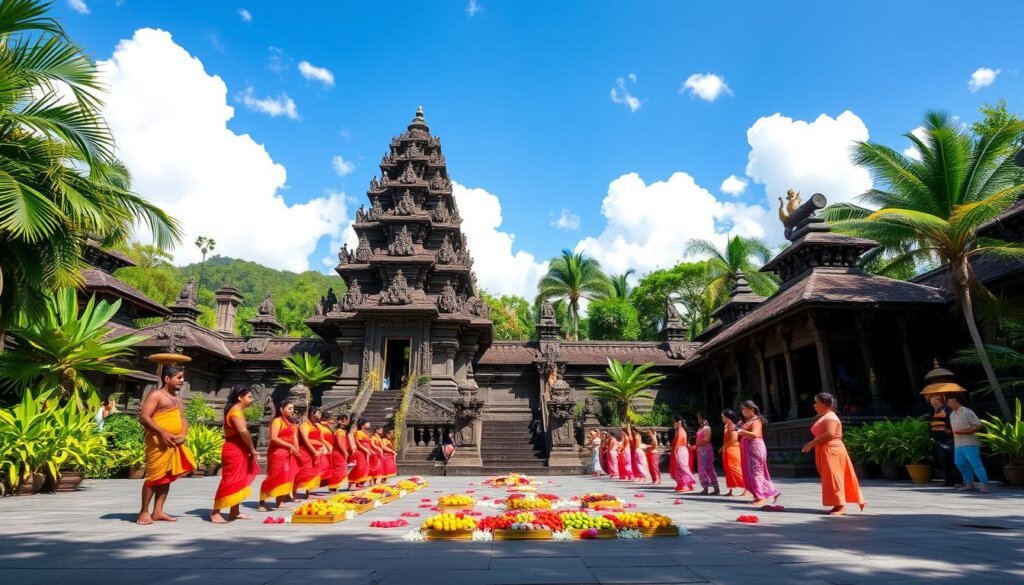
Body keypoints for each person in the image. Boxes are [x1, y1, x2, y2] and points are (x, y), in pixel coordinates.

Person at [136, 365, 196, 525]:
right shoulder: (156, 394)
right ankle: (143, 512)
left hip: (173, 444)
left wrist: (182, 435)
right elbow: (144, 417)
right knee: (154, 477)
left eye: (183, 377)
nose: (182, 381)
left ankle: (158, 511)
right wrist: (163, 433)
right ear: (167, 378)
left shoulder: (177, 399)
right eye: (179, 377)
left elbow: (184, 419)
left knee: (166, 477)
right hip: (158, 443)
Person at [801, 393, 865, 515]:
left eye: (816, 403)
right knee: (830, 477)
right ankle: (837, 503)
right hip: (827, 449)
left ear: (825, 404)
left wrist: (812, 443)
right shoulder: (825, 416)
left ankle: (840, 505)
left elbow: (830, 434)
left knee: (834, 477)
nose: (814, 406)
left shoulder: (830, 417)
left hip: (832, 450)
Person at [211, 386, 260, 523]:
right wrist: (253, 449)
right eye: (249, 397)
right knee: (229, 480)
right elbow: (243, 432)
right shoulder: (235, 413)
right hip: (234, 450)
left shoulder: (238, 411)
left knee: (239, 481)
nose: (252, 400)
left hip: (240, 450)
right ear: (240, 397)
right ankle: (215, 512)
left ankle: (234, 511)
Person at [734, 400, 781, 506]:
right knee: (750, 472)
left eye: (745, 409)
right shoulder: (746, 421)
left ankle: (761, 498)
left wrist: (742, 431)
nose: (743, 411)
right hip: (747, 449)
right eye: (742, 409)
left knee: (756, 472)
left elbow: (755, 434)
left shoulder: (756, 420)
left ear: (752, 409)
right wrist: (739, 427)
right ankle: (763, 494)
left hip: (755, 447)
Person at [258, 399, 300, 511]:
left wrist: (295, 448)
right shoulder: (277, 421)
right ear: (281, 409)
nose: (292, 411)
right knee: (273, 476)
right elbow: (274, 438)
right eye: (289, 408)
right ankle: (262, 502)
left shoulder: (289, 423)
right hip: (277, 453)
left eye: (293, 409)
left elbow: (293, 438)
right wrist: (290, 446)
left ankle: (280, 501)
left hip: (288, 454)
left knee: (285, 476)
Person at [947, 395, 989, 493]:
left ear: (955, 400)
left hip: (970, 442)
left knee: (975, 463)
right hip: (958, 443)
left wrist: (963, 432)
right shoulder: (952, 414)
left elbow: (977, 425)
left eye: (949, 400)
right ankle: (969, 484)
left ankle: (984, 485)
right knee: (960, 463)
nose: (948, 403)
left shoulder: (967, 411)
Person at [929, 395, 961, 487]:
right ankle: (948, 480)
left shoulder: (947, 409)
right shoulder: (936, 410)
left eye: (934, 400)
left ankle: (958, 481)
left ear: (939, 401)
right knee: (943, 460)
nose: (932, 402)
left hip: (948, 437)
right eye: (931, 401)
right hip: (939, 438)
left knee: (952, 459)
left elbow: (953, 421)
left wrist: (950, 429)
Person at [293, 408, 323, 500]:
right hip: (306, 451)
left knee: (314, 472)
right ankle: (294, 493)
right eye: (317, 415)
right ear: (312, 415)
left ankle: (309, 492)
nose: (319, 417)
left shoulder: (317, 426)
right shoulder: (305, 425)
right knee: (302, 472)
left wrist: (322, 447)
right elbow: (306, 440)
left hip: (317, 451)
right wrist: (314, 451)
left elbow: (321, 438)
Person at [720, 409, 747, 497]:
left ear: (727, 417)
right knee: (728, 469)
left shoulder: (732, 425)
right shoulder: (727, 425)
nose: (722, 418)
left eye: (723, 416)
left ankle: (747, 487)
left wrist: (724, 447)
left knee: (734, 469)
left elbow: (734, 438)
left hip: (733, 449)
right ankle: (730, 489)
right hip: (727, 449)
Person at [669, 416, 697, 492]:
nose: (673, 424)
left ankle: (685, 484)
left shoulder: (681, 431)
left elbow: (677, 444)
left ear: (679, 422)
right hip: (681, 450)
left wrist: (674, 453)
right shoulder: (679, 430)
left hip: (680, 450)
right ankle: (685, 484)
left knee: (682, 467)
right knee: (680, 468)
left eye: (674, 422)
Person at [695, 413, 720, 495]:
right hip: (700, 450)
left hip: (706, 450)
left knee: (709, 468)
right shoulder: (700, 428)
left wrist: (698, 443)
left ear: (703, 419)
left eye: (699, 418)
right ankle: (705, 488)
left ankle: (716, 488)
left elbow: (706, 439)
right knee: (702, 469)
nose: (698, 420)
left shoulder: (706, 428)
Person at [327, 414, 351, 492]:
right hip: (337, 453)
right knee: (339, 470)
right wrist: (345, 452)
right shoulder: (339, 431)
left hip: (339, 453)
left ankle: (334, 486)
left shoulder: (340, 431)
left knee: (341, 470)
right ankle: (332, 487)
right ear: (344, 420)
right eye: (347, 420)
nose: (347, 422)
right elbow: (339, 443)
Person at [348, 419, 373, 487]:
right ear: (363, 425)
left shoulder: (365, 433)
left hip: (365, 452)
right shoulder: (358, 432)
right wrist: (365, 449)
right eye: (367, 423)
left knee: (364, 468)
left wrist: (369, 450)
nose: (369, 424)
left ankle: (359, 483)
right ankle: (353, 484)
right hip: (360, 452)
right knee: (359, 468)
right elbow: (358, 443)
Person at [317, 412, 335, 490]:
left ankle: (330, 485)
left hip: (330, 449)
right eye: (332, 418)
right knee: (321, 468)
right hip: (324, 448)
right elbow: (321, 438)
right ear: (327, 419)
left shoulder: (328, 426)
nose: (333, 420)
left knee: (328, 468)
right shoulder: (319, 426)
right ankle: (310, 490)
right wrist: (327, 446)